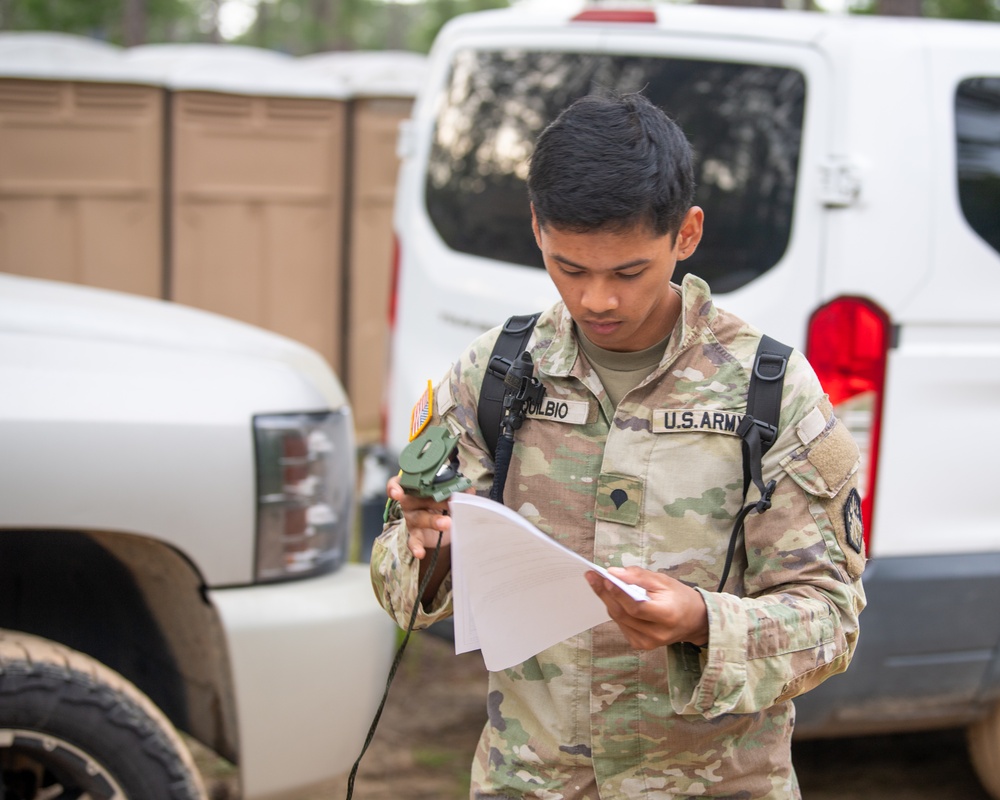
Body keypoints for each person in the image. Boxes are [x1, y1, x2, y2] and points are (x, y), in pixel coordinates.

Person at [371, 92, 866, 800]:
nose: (597, 299)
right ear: (537, 228)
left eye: (628, 272)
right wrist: (433, 548)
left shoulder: (770, 390)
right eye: (569, 268)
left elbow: (832, 617)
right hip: (532, 782)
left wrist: (700, 620)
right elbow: (401, 583)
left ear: (686, 234)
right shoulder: (495, 372)